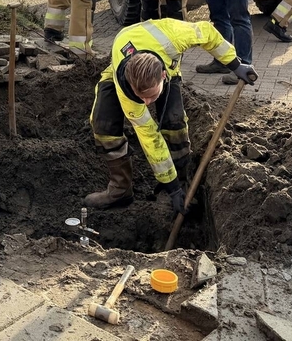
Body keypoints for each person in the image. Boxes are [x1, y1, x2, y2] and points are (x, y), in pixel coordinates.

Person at [84, 18, 258, 211]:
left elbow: (207, 32)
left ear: (163, 76)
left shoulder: (175, 37)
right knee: (103, 125)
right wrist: (171, 186)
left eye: (151, 96)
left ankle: (183, 181)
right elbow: (150, 137)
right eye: (141, 97)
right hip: (118, 64)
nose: (147, 103)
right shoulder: (128, 91)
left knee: (174, 123)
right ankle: (120, 190)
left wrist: (235, 65)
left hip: (164, 54)